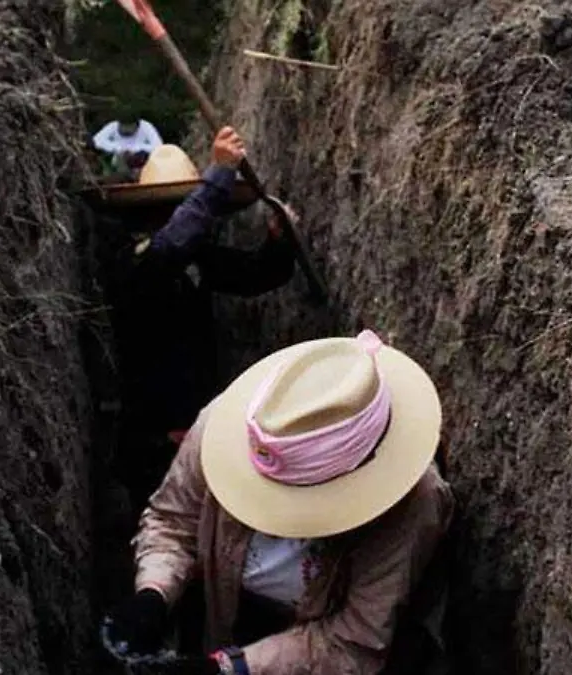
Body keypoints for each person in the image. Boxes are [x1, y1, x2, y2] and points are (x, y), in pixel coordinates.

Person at [100, 330, 455, 675]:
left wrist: (230, 667)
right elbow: (174, 520)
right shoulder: (223, 429)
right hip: (226, 614)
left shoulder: (413, 507)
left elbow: (354, 642)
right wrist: (155, 593)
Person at [95, 127, 297, 510]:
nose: (185, 219)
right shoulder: (133, 260)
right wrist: (219, 175)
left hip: (199, 425)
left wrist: (278, 240)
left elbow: (253, 274)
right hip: (151, 436)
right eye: (174, 209)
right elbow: (169, 249)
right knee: (161, 528)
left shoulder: (195, 258)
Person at [92, 117, 164, 181]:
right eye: (123, 126)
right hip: (117, 160)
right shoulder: (112, 126)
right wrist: (118, 148)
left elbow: (158, 146)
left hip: (140, 159)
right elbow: (96, 141)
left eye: (128, 127)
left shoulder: (146, 126)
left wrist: (136, 149)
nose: (125, 129)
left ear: (137, 125)